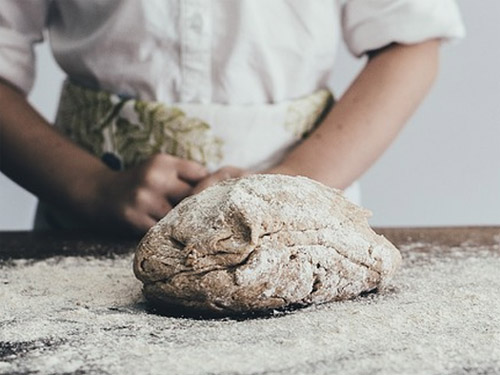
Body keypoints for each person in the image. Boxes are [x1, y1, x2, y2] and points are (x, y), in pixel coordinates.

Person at [0, 1, 465, 235]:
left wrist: (286, 188)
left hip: (297, 227)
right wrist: (91, 187)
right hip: (92, 222)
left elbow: (411, 40)